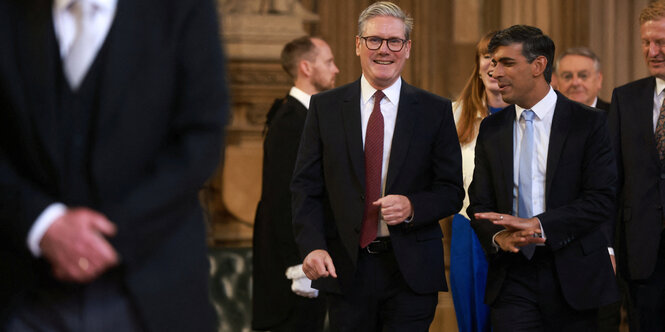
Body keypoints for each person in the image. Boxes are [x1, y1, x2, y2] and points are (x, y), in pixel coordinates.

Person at [0, 0, 228, 331]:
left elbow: (200, 138)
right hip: (19, 292)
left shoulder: (183, 8)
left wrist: (108, 237)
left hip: (153, 290)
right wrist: (43, 223)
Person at [291, 2, 464, 331]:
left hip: (410, 273)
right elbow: (305, 187)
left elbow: (451, 191)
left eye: (394, 41)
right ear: (358, 44)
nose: (384, 50)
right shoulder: (325, 107)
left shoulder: (435, 110)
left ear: (407, 48)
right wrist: (312, 245)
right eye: (374, 40)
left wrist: (413, 205)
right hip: (345, 269)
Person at [468, 25, 618, 331]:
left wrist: (538, 224)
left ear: (538, 66)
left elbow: (601, 199)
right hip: (512, 277)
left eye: (507, 63)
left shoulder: (589, 123)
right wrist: (499, 235)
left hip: (575, 274)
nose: (495, 72)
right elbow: (479, 202)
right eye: (494, 63)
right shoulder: (492, 130)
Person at [252, 35, 338, 332]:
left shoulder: (308, 116)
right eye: (328, 62)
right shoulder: (291, 120)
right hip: (294, 267)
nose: (336, 69)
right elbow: (283, 199)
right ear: (306, 67)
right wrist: (300, 264)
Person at [609, 1, 665, 330]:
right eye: (646, 42)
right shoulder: (625, 98)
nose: (652, 50)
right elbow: (612, 181)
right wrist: (609, 246)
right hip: (642, 252)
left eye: (660, 42)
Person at [450, 30, 508, 332]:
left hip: (514, 227)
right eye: (487, 56)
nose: (493, 64)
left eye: (502, 58)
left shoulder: (528, 114)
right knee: (473, 318)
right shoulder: (454, 115)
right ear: (478, 62)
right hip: (468, 228)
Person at [553, 47, 609, 111]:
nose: (575, 83)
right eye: (568, 76)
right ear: (557, 82)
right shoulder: (546, 117)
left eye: (583, 76)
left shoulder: (618, 116)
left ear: (599, 80)